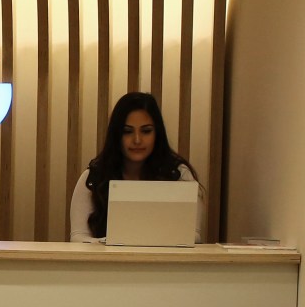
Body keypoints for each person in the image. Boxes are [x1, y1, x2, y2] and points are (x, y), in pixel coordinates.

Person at [69, 92, 204, 243]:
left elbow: (194, 235)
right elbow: (77, 237)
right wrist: (110, 242)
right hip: (108, 264)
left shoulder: (178, 174)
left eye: (146, 131)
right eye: (127, 132)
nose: (137, 140)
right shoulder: (94, 177)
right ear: (116, 135)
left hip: (166, 265)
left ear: (157, 134)